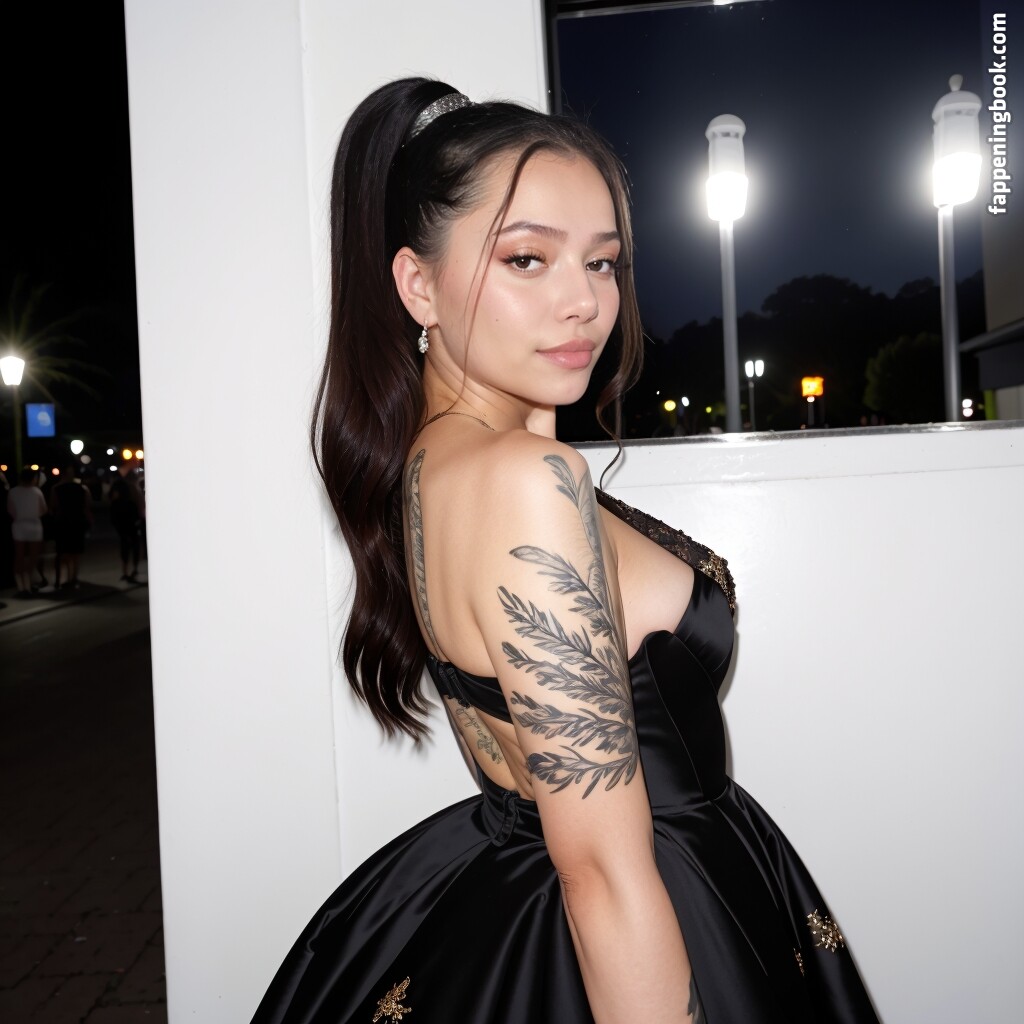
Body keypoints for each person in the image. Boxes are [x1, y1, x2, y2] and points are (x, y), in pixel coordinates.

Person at [251, 79, 879, 1024]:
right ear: (418, 285)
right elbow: (603, 870)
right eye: (527, 259)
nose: (583, 301)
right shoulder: (521, 481)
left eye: (603, 261)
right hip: (646, 918)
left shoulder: (443, 462)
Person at [49, 462, 93, 589]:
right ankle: (73, 577)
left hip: (62, 522)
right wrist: (89, 521)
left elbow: (52, 506)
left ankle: (63, 578)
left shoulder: (56, 488)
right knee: (76, 552)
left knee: (63, 551)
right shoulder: (82, 488)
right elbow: (87, 505)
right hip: (77, 521)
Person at [7, 467, 48, 597]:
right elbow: (43, 509)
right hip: (35, 526)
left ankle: (21, 586)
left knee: (19, 556)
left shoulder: (13, 492)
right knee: (32, 557)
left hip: (19, 525)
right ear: (33, 478)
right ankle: (28, 583)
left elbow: (10, 510)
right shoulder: (37, 492)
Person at [108, 459, 144, 581]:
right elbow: (140, 504)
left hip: (122, 520)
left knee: (125, 545)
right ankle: (134, 568)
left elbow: (112, 501)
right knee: (134, 544)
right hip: (133, 520)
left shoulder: (120, 487)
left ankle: (125, 570)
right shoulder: (134, 488)